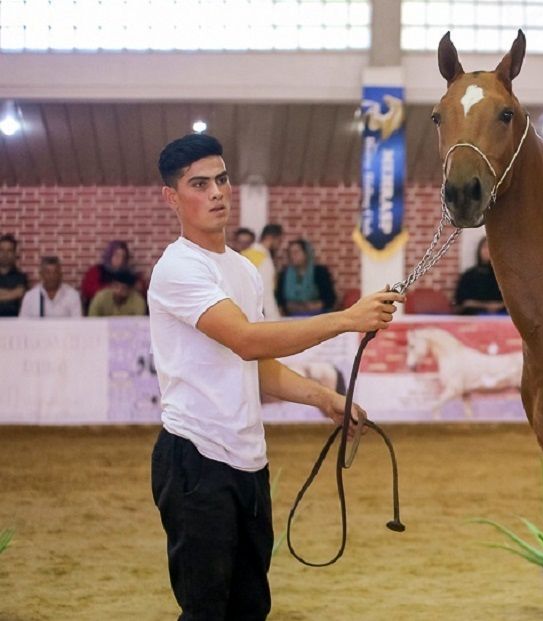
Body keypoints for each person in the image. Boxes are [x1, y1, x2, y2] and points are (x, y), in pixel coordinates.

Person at [148, 133, 403, 620]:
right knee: (205, 610)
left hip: (248, 460)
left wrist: (322, 397)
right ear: (172, 197)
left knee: (250, 606)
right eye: (199, 184)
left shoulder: (243, 271)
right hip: (195, 459)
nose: (218, 192)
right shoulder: (177, 269)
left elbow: (257, 366)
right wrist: (347, 319)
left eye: (221, 179)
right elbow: (246, 339)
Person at [276, 238, 337, 316]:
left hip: (316, 317)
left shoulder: (319, 272)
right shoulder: (284, 274)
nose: (292, 256)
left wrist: (312, 306)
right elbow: (280, 300)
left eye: (296, 252)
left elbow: (330, 299)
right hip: (291, 318)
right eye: (290, 253)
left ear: (306, 253)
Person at [81, 240, 147, 312]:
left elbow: (142, 291)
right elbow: (88, 290)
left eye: (123, 256)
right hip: (102, 310)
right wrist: (111, 289)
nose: (120, 259)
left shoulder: (129, 273)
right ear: (109, 255)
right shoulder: (96, 271)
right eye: (117, 255)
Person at [241, 224, 283, 320]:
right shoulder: (263, 259)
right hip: (259, 313)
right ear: (270, 238)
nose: (279, 245)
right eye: (279, 241)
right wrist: (274, 319)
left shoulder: (245, 254)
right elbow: (265, 292)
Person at [454, 236, 506, 315]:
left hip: (501, 315)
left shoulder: (502, 277)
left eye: (491, 247)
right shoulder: (469, 275)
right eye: (485, 247)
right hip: (474, 316)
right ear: (479, 250)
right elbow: (463, 302)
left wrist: (499, 305)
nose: (487, 251)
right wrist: (486, 306)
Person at [0, 234, 29, 317]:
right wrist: (12, 293)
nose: (5, 254)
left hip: (14, 325)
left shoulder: (21, 277)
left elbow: (20, 293)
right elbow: (16, 293)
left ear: (14, 253)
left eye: (9, 250)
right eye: (1, 250)